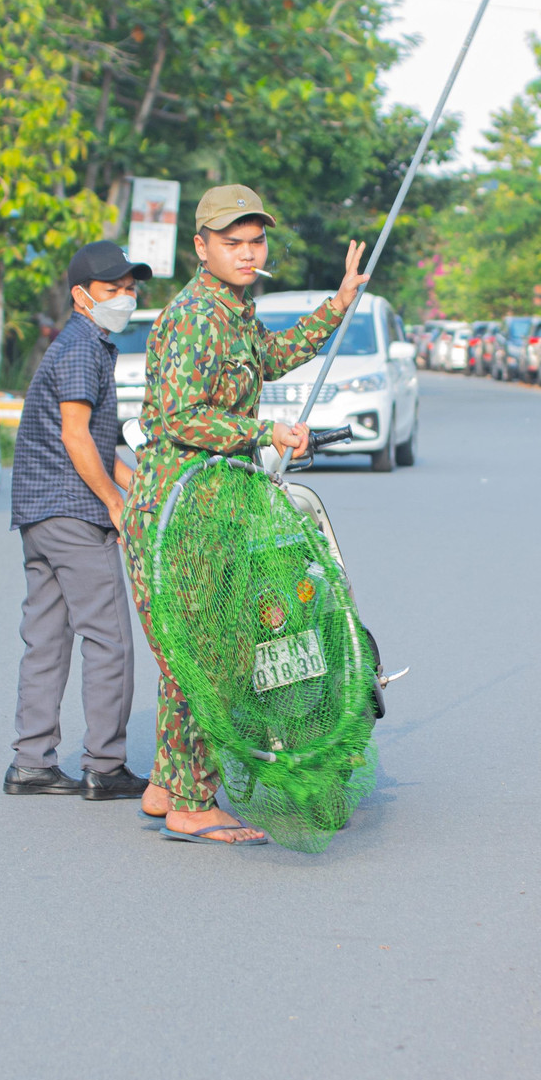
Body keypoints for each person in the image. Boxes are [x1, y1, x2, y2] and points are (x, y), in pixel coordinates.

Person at [127, 185, 369, 844]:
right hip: (179, 512)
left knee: (193, 654)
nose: (246, 252)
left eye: (255, 241)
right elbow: (176, 418)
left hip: (216, 507)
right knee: (205, 658)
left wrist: (339, 304)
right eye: (231, 242)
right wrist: (266, 432)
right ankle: (190, 803)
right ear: (201, 247)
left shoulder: (234, 311)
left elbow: (277, 356)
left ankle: (166, 784)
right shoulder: (191, 316)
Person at [4, 240, 155, 800]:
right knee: (110, 638)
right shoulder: (81, 349)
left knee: (45, 639)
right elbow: (74, 436)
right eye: (113, 288)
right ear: (80, 296)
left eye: (130, 288)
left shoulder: (85, 346)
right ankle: (106, 765)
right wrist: (115, 502)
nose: (125, 297)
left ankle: (31, 762)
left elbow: (97, 439)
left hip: (39, 513)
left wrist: (141, 488)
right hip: (72, 512)